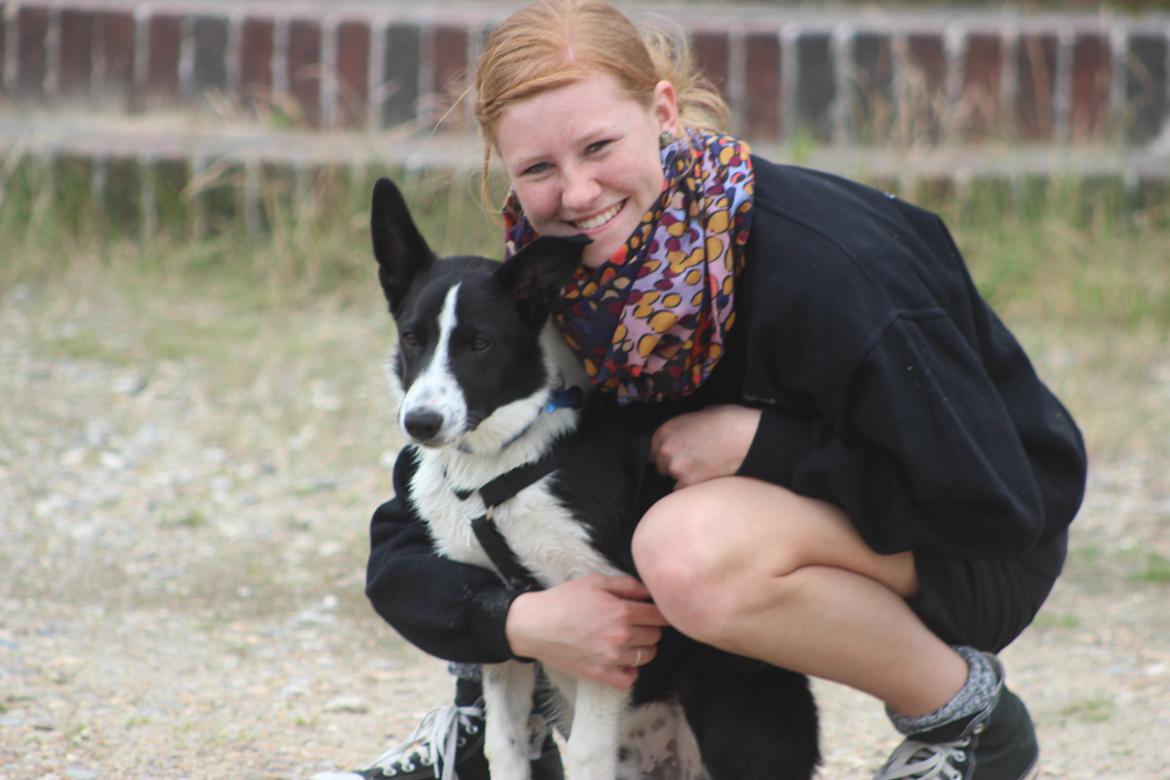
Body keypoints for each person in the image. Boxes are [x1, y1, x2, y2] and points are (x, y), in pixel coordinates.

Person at [315, 1, 1087, 778]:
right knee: (544, 526)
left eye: (599, 146)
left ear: (663, 110)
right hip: (796, 521)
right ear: (504, 169)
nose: (578, 193)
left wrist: (765, 447)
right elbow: (422, 528)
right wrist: (518, 622)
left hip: (977, 536)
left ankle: (966, 723)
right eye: (540, 169)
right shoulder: (560, 285)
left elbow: (993, 504)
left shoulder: (828, 270)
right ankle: (492, 736)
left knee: (684, 553)